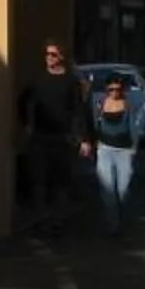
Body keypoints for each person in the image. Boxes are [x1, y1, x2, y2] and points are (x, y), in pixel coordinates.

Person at [19, 41, 92, 235]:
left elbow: (79, 110)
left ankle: (58, 220)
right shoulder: (38, 80)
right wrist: (26, 124)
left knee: (61, 182)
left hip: (62, 138)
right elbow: (23, 101)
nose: (49, 58)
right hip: (41, 137)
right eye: (47, 54)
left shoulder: (70, 82)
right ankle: (41, 218)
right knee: (39, 180)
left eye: (53, 54)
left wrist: (84, 139)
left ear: (61, 57)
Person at [90, 69, 139, 230]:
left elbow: (133, 127)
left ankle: (121, 214)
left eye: (118, 89)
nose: (114, 93)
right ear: (106, 89)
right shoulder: (99, 103)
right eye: (111, 89)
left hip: (124, 151)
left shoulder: (128, 104)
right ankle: (113, 223)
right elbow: (95, 125)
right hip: (104, 149)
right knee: (108, 190)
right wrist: (92, 144)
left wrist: (134, 147)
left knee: (123, 190)